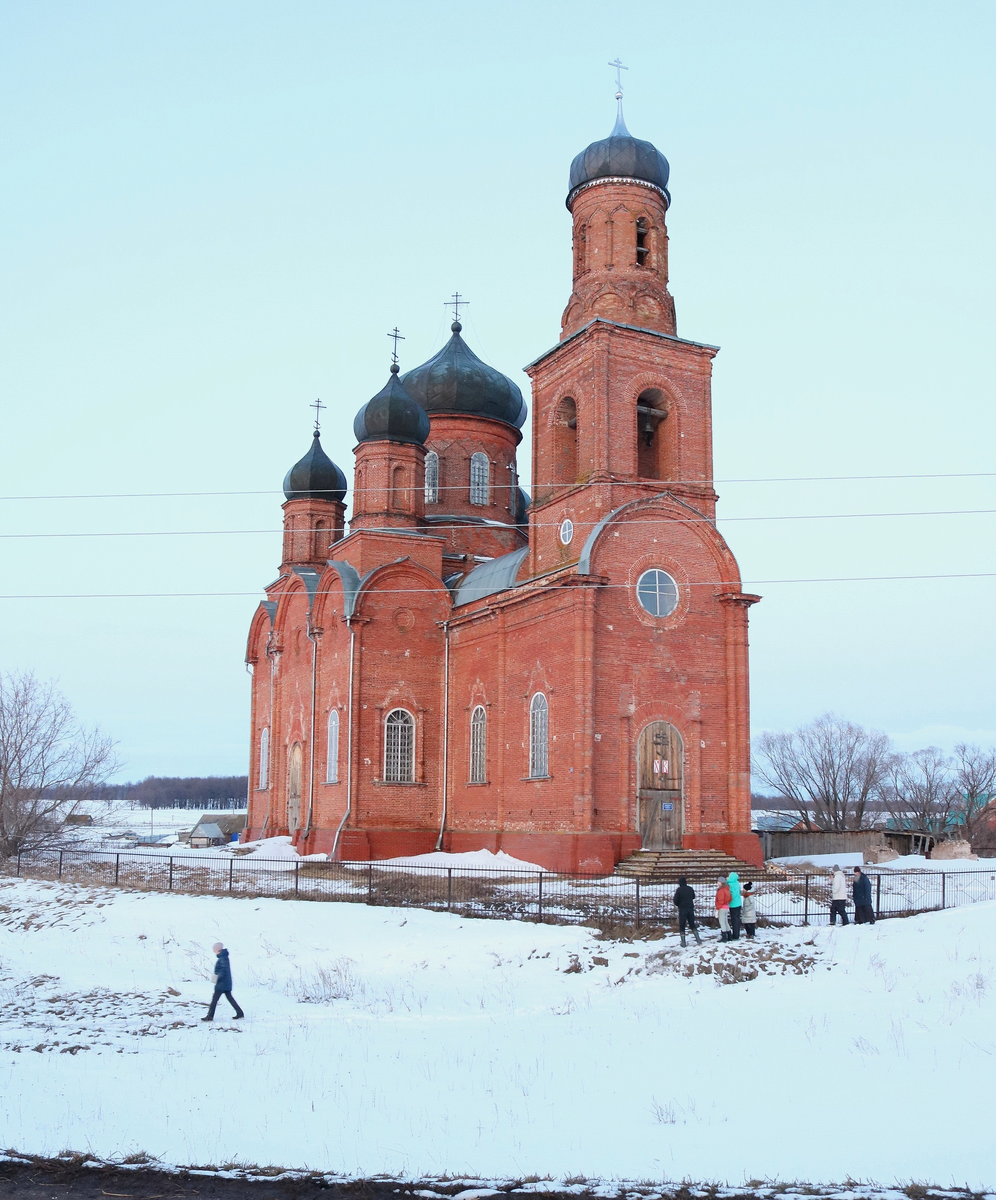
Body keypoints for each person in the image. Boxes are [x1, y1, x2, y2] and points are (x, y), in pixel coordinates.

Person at [201, 942, 245, 1021]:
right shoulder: (223, 957)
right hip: (225, 983)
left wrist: (217, 977)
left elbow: (223, 970)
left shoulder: (222, 958)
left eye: (214, 949)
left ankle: (210, 1016)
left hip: (222, 983)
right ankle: (240, 1013)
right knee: (230, 998)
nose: (213, 951)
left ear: (217, 950)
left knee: (214, 1000)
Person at [672, 876, 701, 947]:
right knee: (692, 924)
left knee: (682, 925)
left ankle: (683, 942)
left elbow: (675, 900)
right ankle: (698, 939)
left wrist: (678, 904)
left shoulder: (679, 890)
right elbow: (693, 897)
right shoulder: (690, 889)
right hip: (690, 908)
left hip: (682, 909)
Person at [714, 875, 732, 941]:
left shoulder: (721, 891)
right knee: (725, 921)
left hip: (721, 907)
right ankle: (729, 935)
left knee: (722, 922)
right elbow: (730, 898)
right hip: (726, 907)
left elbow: (720, 900)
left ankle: (724, 936)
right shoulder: (727, 889)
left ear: (721, 883)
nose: (717, 883)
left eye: (718, 881)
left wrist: (717, 909)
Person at [727, 871, 743, 940]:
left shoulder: (730, 884)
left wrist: (727, 900)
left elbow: (732, 894)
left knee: (734, 920)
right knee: (736, 919)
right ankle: (736, 934)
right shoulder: (736, 883)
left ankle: (735, 935)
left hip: (733, 904)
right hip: (738, 903)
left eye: (728, 876)